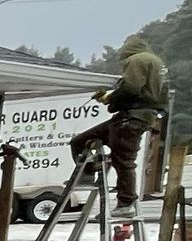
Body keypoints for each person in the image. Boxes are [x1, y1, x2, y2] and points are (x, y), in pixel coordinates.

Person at [71, 33, 171, 215]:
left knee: (124, 161)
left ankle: (125, 204)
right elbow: (153, 93)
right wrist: (111, 98)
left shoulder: (136, 60)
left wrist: (112, 98)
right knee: (81, 141)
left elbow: (131, 88)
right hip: (139, 117)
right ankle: (88, 172)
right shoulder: (157, 63)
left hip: (131, 118)